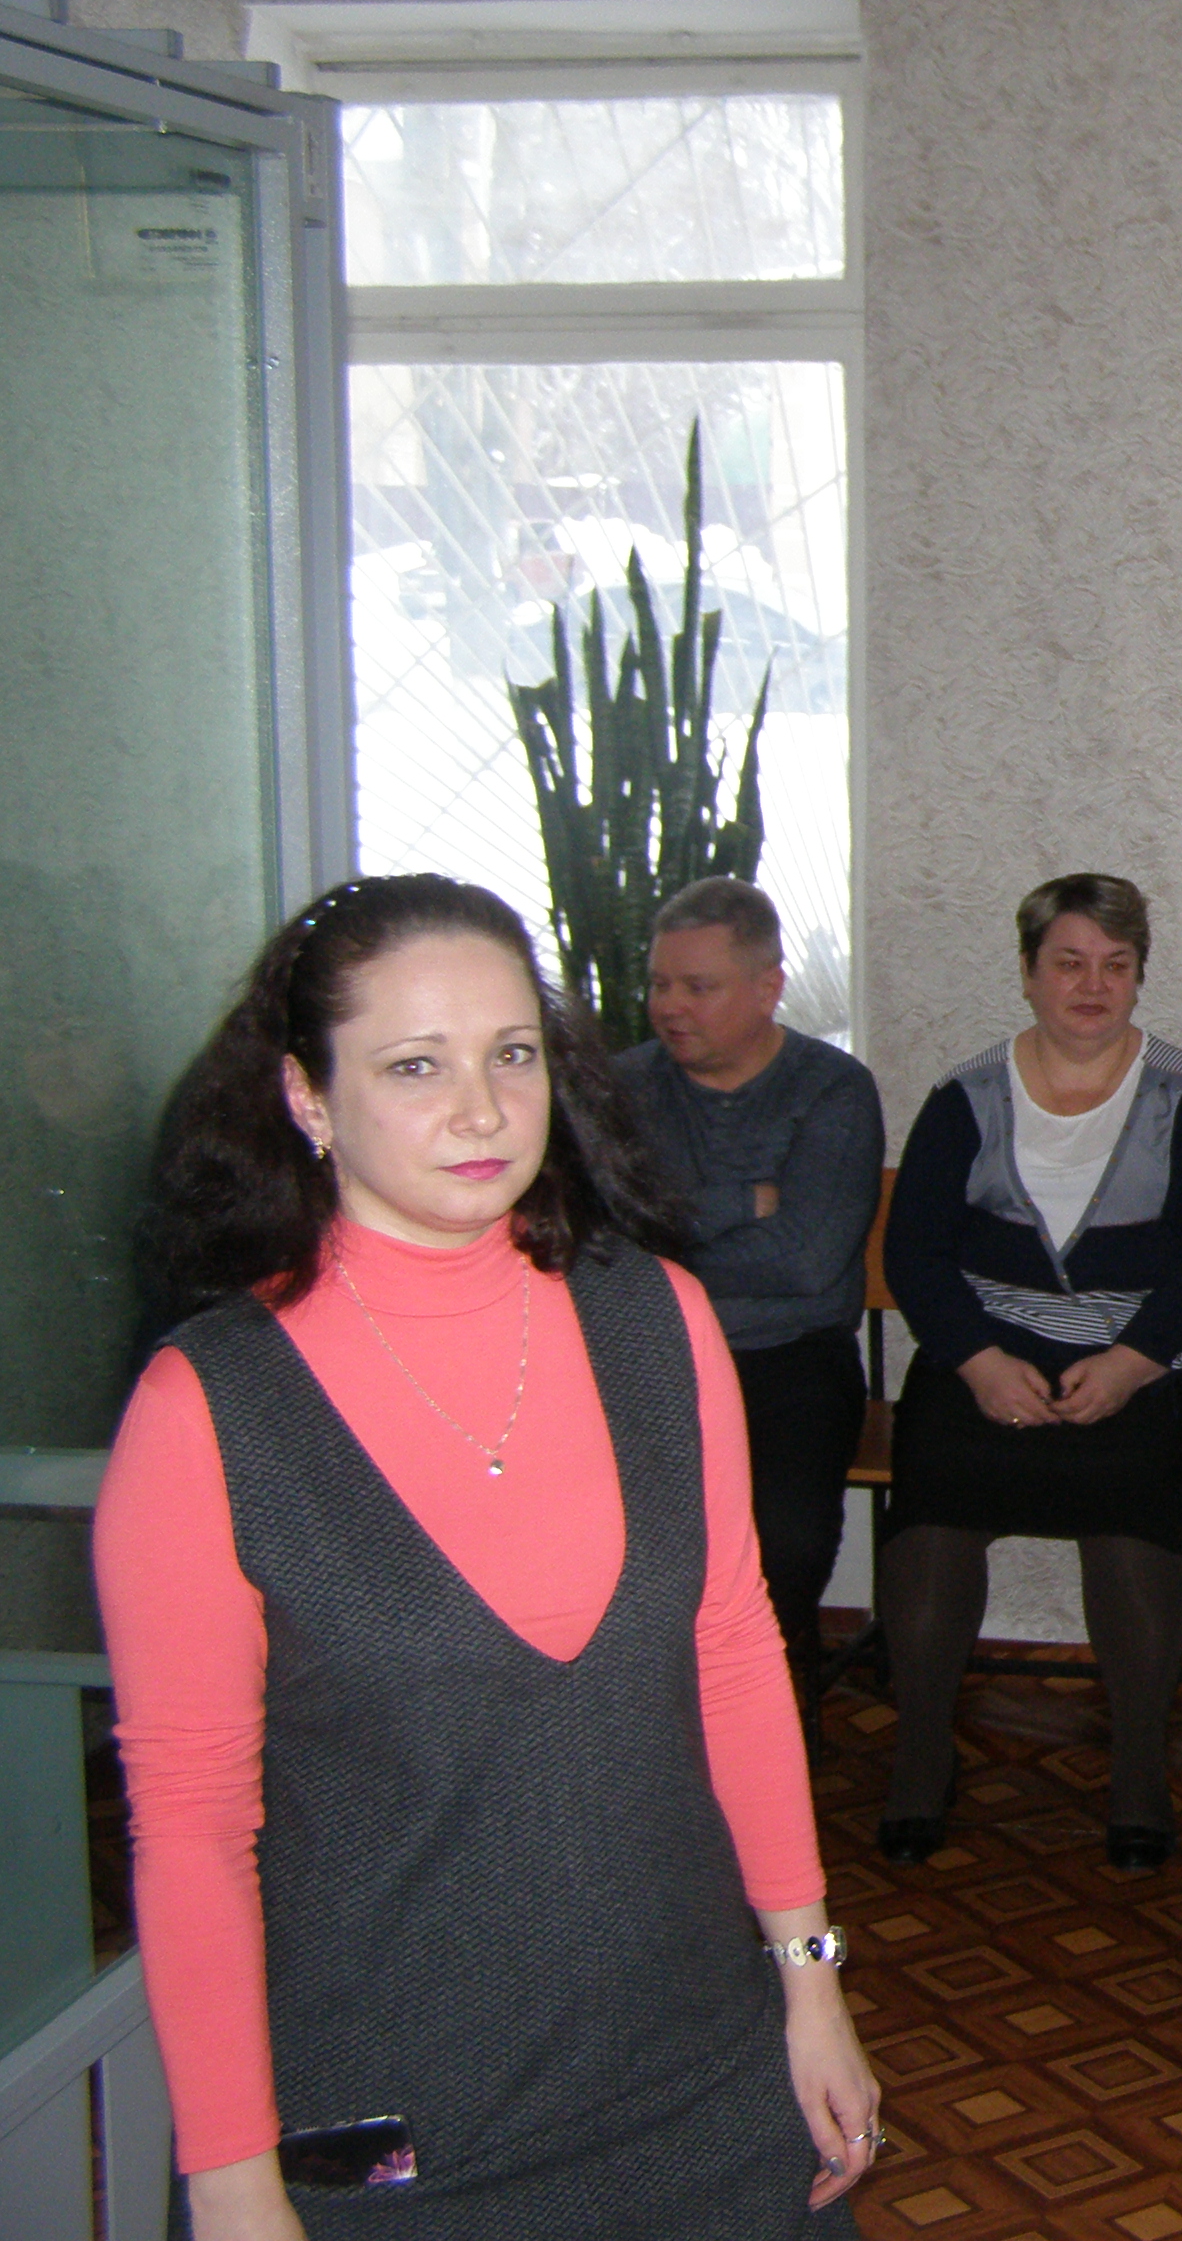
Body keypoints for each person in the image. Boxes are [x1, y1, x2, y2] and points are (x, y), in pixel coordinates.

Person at [100, 874, 878, 2239]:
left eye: (511, 1055)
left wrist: (810, 1982)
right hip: (398, 2131)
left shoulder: (657, 1320)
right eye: (416, 1066)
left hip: (700, 2072)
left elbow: (734, 1657)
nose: (481, 1109)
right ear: (307, 1097)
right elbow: (193, 1828)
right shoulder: (208, 1410)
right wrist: (230, 2177)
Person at [876, 875, 1182, 1870]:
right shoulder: (965, 1096)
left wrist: (1131, 1366)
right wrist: (978, 1361)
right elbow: (915, 1253)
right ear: (1029, 972)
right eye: (1069, 963)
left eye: (1116, 965)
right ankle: (921, 1755)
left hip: (1142, 1360)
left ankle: (1138, 1771)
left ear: (1139, 976)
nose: (1092, 985)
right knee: (934, 1492)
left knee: (1128, 1496)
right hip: (986, 1354)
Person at [616, 877, 885, 1719]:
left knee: (785, 1546)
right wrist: (740, 1201)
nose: (670, 1006)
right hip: (645, 1354)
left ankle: (755, 1719)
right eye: (660, 983)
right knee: (613, 1542)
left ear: (768, 989)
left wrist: (664, 1229)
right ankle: (646, 1725)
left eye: (697, 986)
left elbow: (806, 1263)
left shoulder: (831, 1089)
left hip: (790, 1362)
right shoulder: (620, 1089)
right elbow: (597, 1246)